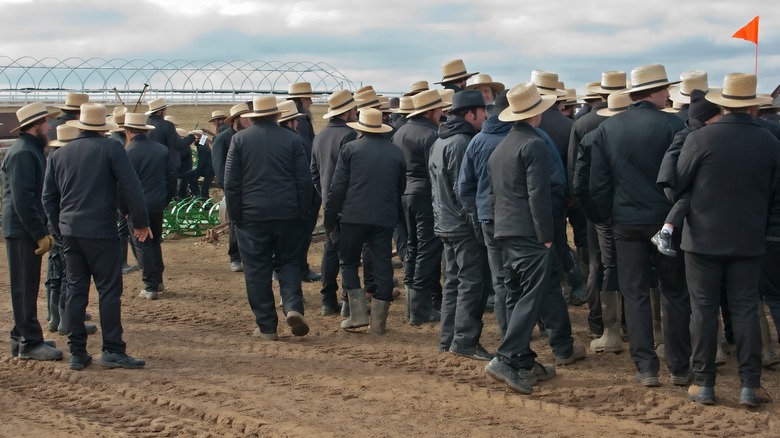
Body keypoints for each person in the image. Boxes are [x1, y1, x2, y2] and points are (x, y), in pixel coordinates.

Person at [676, 73, 779, 406]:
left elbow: (679, 184)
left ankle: (704, 383)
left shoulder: (701, 138)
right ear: (752, 106)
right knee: (746, 309)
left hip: (703, 238)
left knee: (703, 310)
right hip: (749, 237)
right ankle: (750, 385)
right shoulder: (769, 141)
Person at [589, 64, 691, 387]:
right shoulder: (674, 125)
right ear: (655, 92)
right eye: (665, 90)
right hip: (665, 220)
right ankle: (678, 366)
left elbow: (598, 184)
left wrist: (609, 215)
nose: (669, 94)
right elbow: (682, 176)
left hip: (626, 220)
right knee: (674, 291)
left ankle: (646, 367)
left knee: (633, 293)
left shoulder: (608, 129)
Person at [43, 103, 150, 370]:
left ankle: (78, 352)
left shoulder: (59, 155)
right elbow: (131, 187)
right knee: (109, 292)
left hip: (70, 232)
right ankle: (113, 349)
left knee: (76, 291)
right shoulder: (112, 148)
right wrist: (141, 222)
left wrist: (59, 229)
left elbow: (48, 198)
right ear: (102, 128)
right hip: (101, 231)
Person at [484, 82, 558, 394]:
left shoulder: (501, 147)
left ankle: (523, 360)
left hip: (505, 230)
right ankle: (506, 357)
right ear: (534, 114)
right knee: (532, 296)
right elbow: (537, 195)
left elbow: (494, 194)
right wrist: (546, 236)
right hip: (528, 232)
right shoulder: (534, 145)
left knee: (518, 294)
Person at [224, 96, 312, 340]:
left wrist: (236, 217)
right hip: (288, 213)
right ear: (276, 115)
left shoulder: (239, 140)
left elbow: (231, 184)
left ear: (253, 117)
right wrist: (303, 213)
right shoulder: (293, 140)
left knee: (256, 270)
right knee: (289, 262)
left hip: (252, 216)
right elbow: (304, 182)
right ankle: (293, 306)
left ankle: (266, 327)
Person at [324, 108, 406, 335]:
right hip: (384, 218)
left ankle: (358, 315)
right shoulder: (396, 152)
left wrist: (330, 218)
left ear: (360, 128)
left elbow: (338, 188)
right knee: (382, 265)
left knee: (349, 262)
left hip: (353, 217)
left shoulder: (350, 149)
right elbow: (401, 188)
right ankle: (379, 323)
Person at [429, 89, 491, 359]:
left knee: (453, 283)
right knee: (471, 284)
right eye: (483, 111)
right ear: (470, 114)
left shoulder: (439, 140)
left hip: (444, 223)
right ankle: (465, 342)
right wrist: (478, 229)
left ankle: (448, 340)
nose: (486, 116)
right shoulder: (463, 142)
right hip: (462, 226)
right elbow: (464, 191)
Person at [569, 71, 627, 342]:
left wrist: (587, 208)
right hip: (629, 207)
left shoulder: (582, 124)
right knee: (631, 263)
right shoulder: (631, 123)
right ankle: (625, 323)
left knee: (598, 263)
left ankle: (598, 322)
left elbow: (574, 173)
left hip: (595, 208)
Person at [3, 102, 63, 361]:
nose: (50, 127)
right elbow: (24, 199)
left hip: (24, 228)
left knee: (26, 284)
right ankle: (29, 343)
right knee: (24, 287)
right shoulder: (24, 153)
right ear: (36, 126)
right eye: (46, 123)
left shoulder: (29, 149)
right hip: (22, 230)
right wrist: (39, 232)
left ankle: (22, 335)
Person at [459, 91, 512, 339]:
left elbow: (464, 187)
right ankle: (521, 332)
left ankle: (506, 332)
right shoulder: (522, 138)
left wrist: (477, 213)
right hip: (516, 219)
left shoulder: (477, 141)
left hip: (487, 219)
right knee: (524, 278)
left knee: (500, 279)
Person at [393, 89, 448, 325]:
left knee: (413, 246)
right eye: (439, 109)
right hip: (424, 194)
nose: (442, 113)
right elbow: (434, 170)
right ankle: (420, 308)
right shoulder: (431, 135)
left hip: (404, 194)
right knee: (428, 248)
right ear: (429, 111)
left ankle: (412, 305)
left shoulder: (400, 131)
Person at [44, 124, 99, 337]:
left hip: (55, 223)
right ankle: (67, 320)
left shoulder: (53, 158)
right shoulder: (70, 161)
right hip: (66, 224)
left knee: (56, 271)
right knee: (71, 275)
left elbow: (47, 197)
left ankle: (55, 317)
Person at [311, 90, 358, 315]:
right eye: (354, 109)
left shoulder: (319, 136)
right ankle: (349, 302)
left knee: (330, 251)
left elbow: (313, 171)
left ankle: (328, 300)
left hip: (328, 201)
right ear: (347, 111)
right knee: (349, 255)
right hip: (347, 203)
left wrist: (323, 193)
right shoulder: (350, 136)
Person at [122, 113, 176, 300]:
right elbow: (171, 179)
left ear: (128, 132)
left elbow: (121, 185)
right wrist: (165, 200)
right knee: (155, 242)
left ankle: (150, 285)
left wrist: (125, 209)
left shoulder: (126, 153)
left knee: (142, 244)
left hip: (136, 206)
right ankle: (159, 280)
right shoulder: (161, 150)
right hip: (157, 204)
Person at [211, 102, 251, 272]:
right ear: (236, 119)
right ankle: (235, 256)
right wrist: (227, 187)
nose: (250, 120)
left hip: (250, 187)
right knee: (235, 222)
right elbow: (220, 168)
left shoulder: (249, 137)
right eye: (246, 117)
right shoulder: (222, 139)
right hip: (233, 188)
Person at [288, 82, 321, 283]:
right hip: (304, 184)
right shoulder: (301, 122)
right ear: (300, 101)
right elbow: (306, 153)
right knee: (303, 230)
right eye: (308, 98)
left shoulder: (298, 121)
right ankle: (300, 268)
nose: (310, 102)